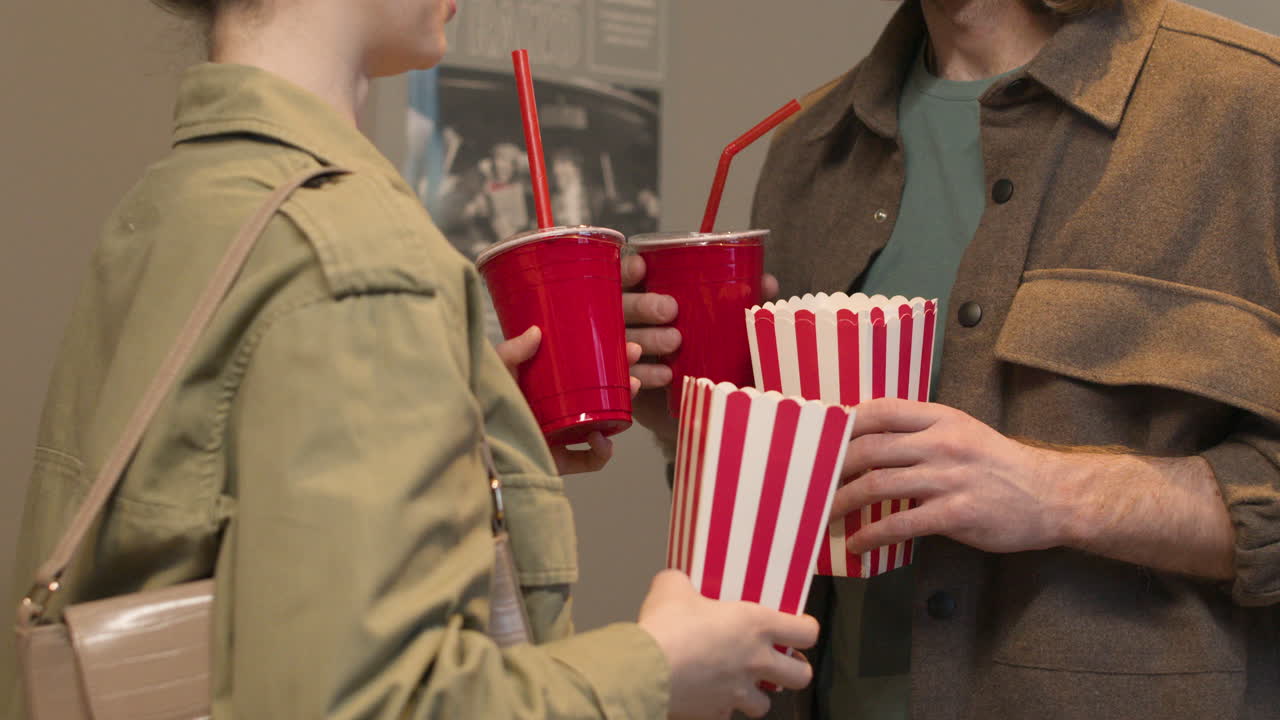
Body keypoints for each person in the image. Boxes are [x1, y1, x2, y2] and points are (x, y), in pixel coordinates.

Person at [0, 0, 821, 717]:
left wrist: (457, 438)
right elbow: (375, 703)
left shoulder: (182, 199)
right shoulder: (351, 250)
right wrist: (660, 670)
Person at [624, 0, 1280, 718]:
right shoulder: (808, 147)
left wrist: (1059, 494)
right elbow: (785, 509)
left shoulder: (1252, 105)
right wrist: (694, 425)